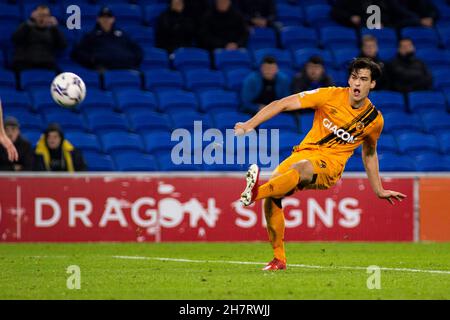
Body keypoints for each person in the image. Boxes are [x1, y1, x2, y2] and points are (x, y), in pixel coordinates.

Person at [234, 58, 406, 270]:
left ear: (372, 84)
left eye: (363, 79)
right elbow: (282, 104)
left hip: (329, 166)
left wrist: (378, 189)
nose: (357, 84)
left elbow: (369, 154)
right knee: (274, 194)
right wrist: (249, 125)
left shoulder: (374, 120)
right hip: (304, 152)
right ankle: (279, 259)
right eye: (354, 78)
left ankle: (254, 193)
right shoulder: (329, 95)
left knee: (299, 169)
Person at [71, 7, 143, 70]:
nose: (106, 20)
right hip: (104, 70)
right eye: (103, 17)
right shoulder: (91, 36)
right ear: (98, 19)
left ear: (113, 19)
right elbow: (77, 53)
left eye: (109, 17)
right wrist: (92, 61)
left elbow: (137, 50)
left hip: (127, 68)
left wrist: (133, 61)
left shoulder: (122, 34)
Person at [11, 4, 67, 71]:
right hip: (26, 61)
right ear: (34, 15)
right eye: (40, 15)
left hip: (46, 62)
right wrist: (29, 22)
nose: (42, 18)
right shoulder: (26, 26)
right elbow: (15, 39)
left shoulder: (52, 30)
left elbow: (63, 45)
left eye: (45, 16)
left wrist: (55, 28)